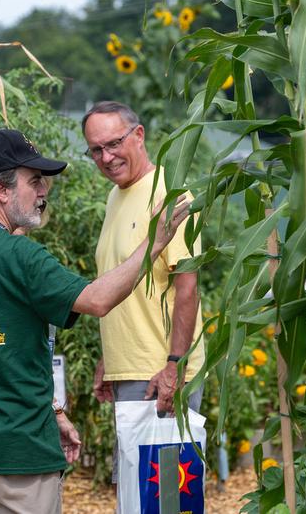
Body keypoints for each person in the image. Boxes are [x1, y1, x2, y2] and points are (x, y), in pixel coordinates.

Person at [0, 128, 191, 513]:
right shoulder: (22, 256)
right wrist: (155, 240)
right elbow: (98, 300)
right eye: (34, 181)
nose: (44, 191)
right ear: (1, 191)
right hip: (21, 455)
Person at [82, 101, 206, 485]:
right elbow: (123, 286)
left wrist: (175, 365)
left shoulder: (169, 195)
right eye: (96, 150)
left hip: (159, 374)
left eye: (114, 143)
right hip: (130, 370)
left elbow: (188, 287)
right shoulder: (115, 197)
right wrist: (110, 360)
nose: (106, 157)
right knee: (137, 496)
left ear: (139, 135)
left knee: (166, 497)